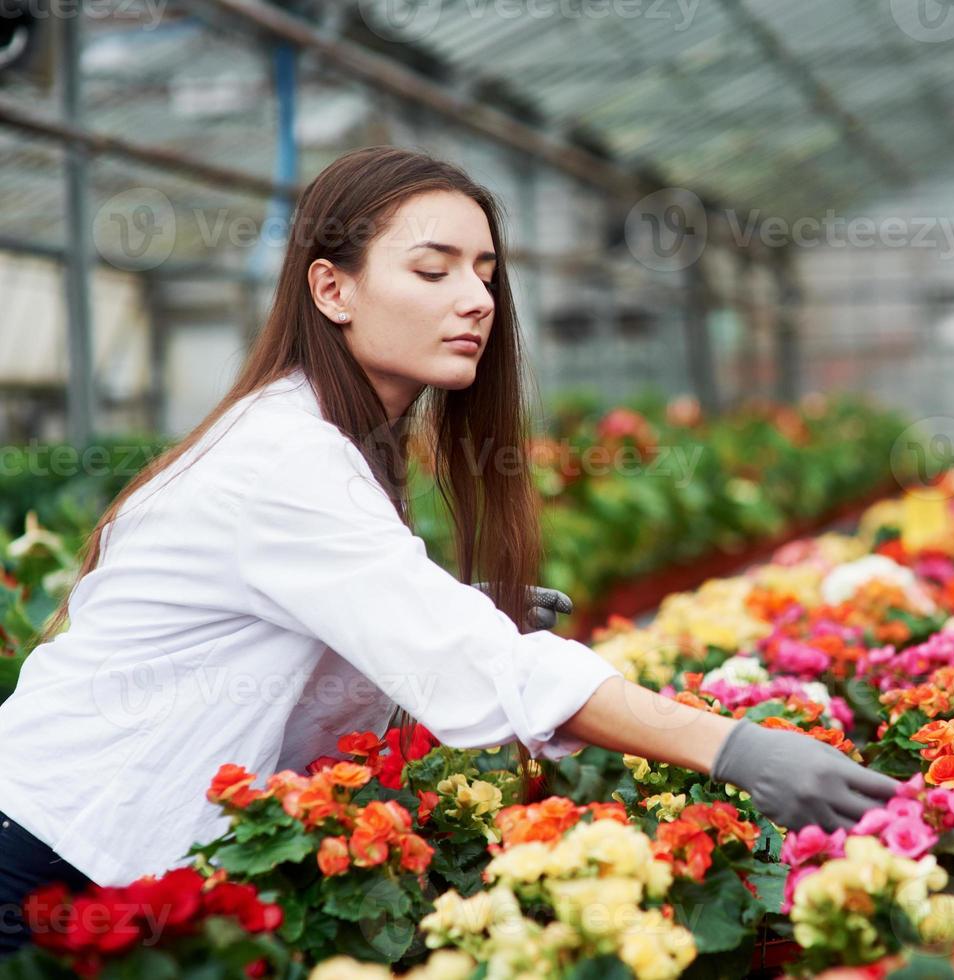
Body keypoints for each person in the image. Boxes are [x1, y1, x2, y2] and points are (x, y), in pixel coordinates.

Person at [0, 146, 899, 955]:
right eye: (432, 270)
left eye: (485, 272)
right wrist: (738, 748)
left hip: (106, 852)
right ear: (332, 290)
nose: (476, 299)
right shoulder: (285, 456)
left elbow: (367, 636)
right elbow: (476, 665)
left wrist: (459, 604)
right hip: (49, 847)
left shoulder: (340, 443)